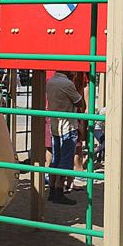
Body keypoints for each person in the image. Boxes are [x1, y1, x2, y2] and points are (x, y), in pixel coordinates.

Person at [46, 71, 86, 205]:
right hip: (68, 126)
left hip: (55, 126)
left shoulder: (50, 82)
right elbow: (80, 103)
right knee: (66, 161)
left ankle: (52, 190)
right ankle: (59, 190)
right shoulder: (67, 84)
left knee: (55, 159)